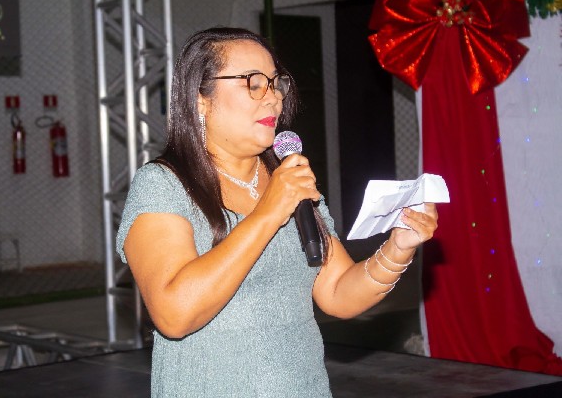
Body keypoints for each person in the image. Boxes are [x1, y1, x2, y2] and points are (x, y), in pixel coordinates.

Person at [116, 26, 439, 397]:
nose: (273, 98)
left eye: (275, 82)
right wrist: (267, 214)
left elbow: (337, 293)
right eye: (253, 83)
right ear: (200, 99)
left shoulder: (288, 180)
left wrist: (398, 248)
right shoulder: (162, 185)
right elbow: (174, 315)